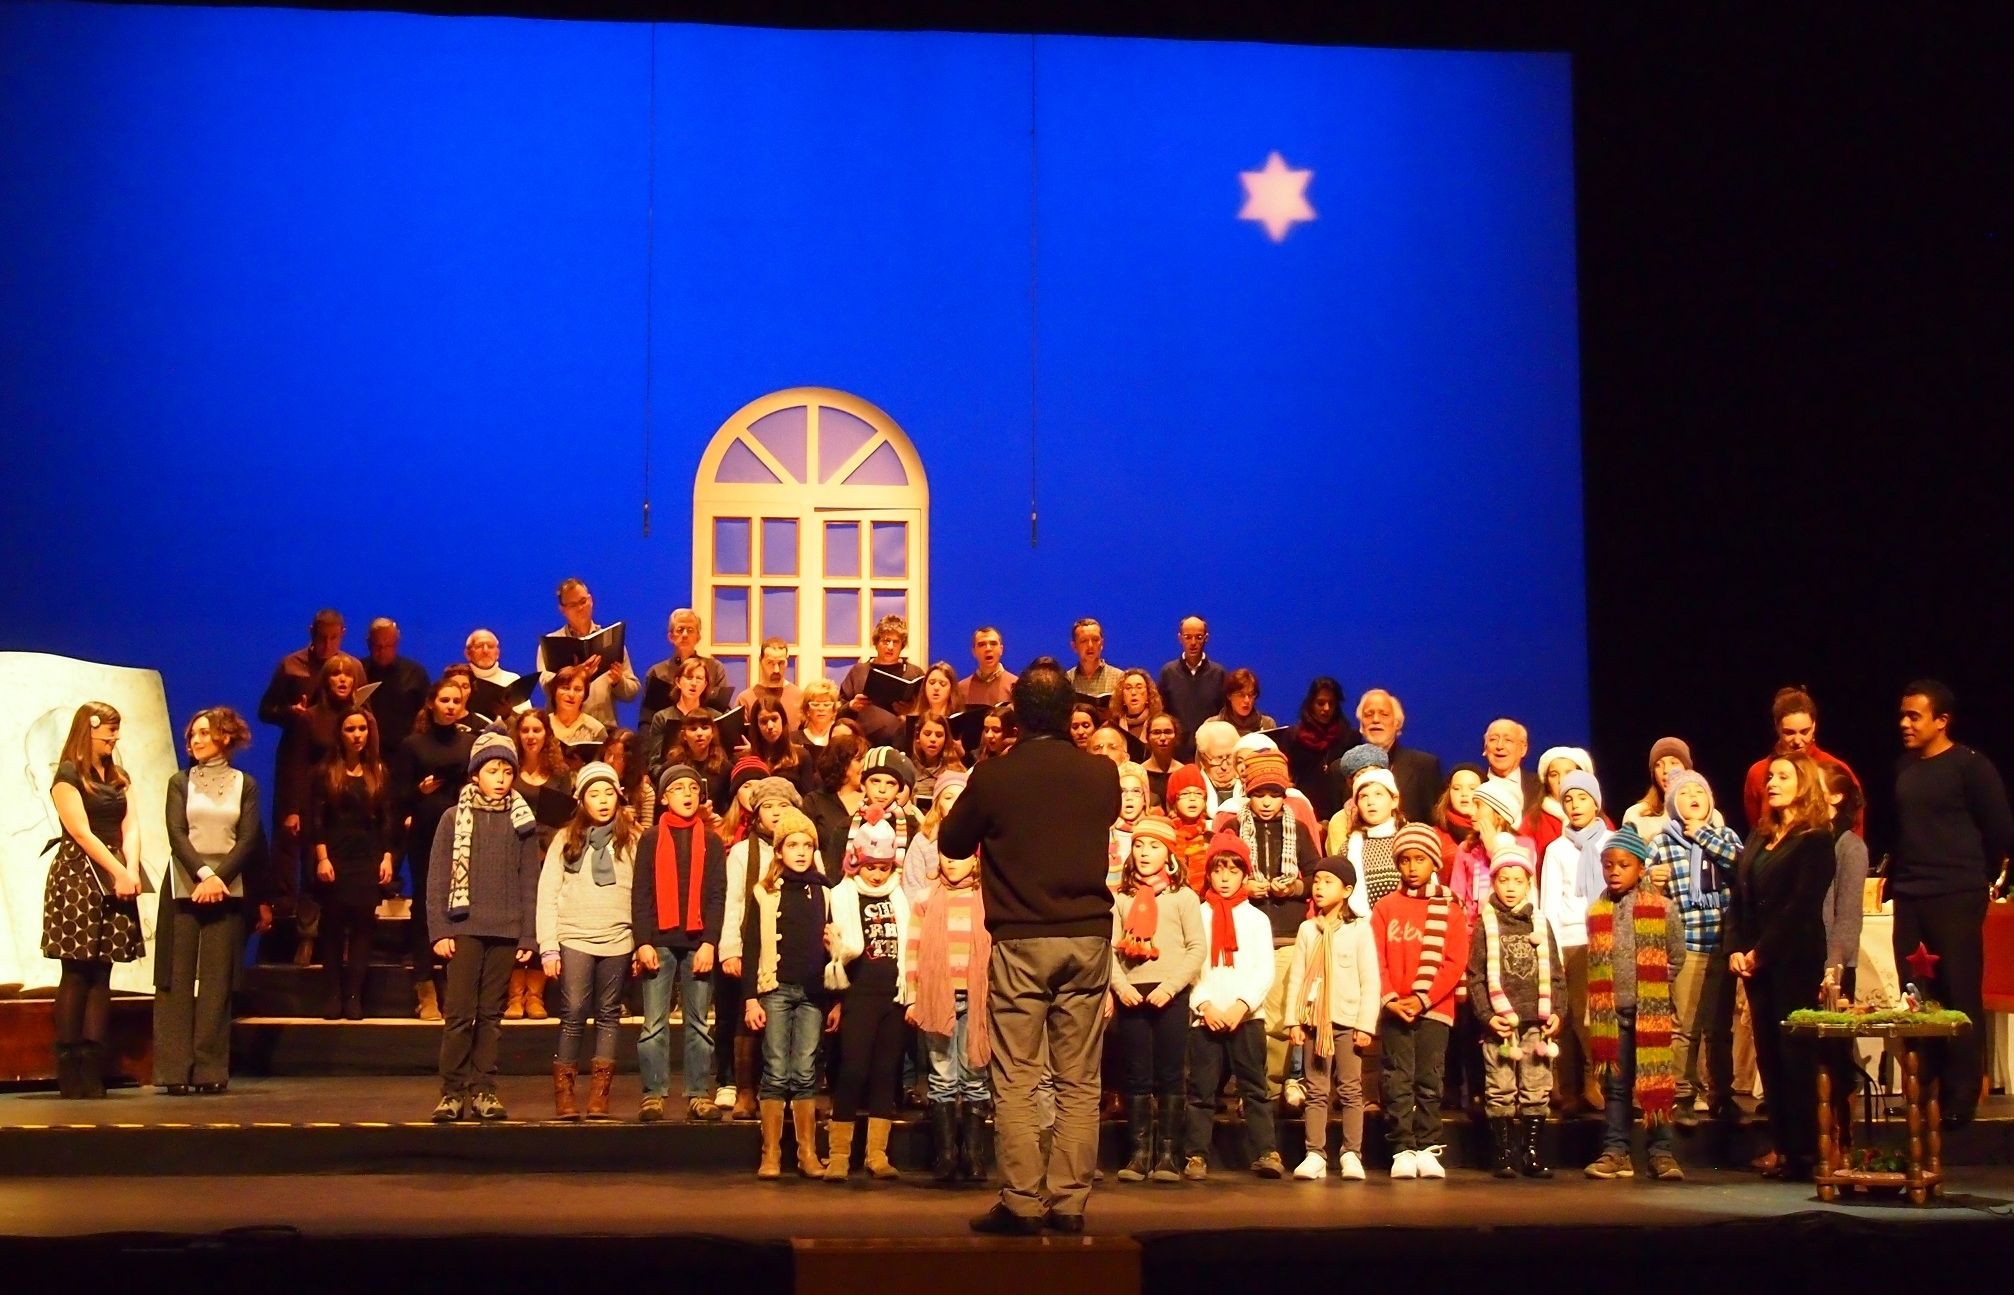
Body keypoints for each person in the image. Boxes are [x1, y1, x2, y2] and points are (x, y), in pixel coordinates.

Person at [943, 659, 1119, 1235]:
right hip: (1088, 938)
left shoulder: (996, 776)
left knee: (1017, 1076)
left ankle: (1021, 1202)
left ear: (1015, 717)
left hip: (1022, 939)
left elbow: (951, 839)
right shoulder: (1100, 774)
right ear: (1072, 715)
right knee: (1078, 1077)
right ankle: (1068, 1202)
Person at [1891, 680, 2011, 1127]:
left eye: (1914, 716)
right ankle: (1926, 1088)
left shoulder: (1970, 767)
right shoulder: (1904, 768)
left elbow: (1999, 828)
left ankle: (1962, 1095)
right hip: (1911, 895)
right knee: (1915, 994)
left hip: (1956, 895)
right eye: (1902, 715)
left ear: (1942, 721)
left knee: (1959, 991)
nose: (1904, 723)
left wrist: (1978, 876)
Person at [1727, 752, 1839, 1179]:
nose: (1771, 782)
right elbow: (1739, 896)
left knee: (1795, 1056)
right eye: (1770, 776)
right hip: (1756, 963)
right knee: (1769, 1056)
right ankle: (1784, 1147)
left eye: (1782, 776)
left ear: (1803, 783)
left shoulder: (1815, 839)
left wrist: (1762, 952)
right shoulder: (1759, 836)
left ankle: (1807, 1151)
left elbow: (1799, 906)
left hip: (1793, 959)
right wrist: (1737, 948)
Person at [427, 730, 540, 1123]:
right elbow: (439, 877)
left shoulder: (522, 820)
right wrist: (440, 930)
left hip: (506, 929)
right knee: (459, 1013)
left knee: (491, 1015)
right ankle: (452, 1092)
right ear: (476, 774)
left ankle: (485, 1089)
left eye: (507, 771)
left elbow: (529, 879)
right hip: (464, 927)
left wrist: (528, 934)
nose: (501, 778)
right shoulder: (453, 817)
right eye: (493, 770)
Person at [156, 706, 262, 1093]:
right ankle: (173, 1070)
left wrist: (220, 878)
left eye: (204, 733)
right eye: (192, 735)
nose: (196, 741)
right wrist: (203, 875)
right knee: (176, 978)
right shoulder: (180, 781)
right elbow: (176, 832)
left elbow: (248, 837)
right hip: (185, 885)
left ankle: (209, 1070)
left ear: (225, 736)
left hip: (226, 888)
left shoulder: (244, 783)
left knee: (217, 981)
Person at [42, 702, 145, 1099]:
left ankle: (93, 1064)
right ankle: (69, 1066)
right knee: (77, 970)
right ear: (90, 733)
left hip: (116, 872)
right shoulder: (69, 775)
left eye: (117, 733)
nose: (114, 740)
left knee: (103, 971)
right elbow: (81, 832)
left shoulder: (118, 776)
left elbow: (131, 824)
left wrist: (130, 869)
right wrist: (115, 870)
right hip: (79, 874)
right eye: (109, 734)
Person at [1581, 825, 1688, 1182]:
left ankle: (1661, 1153)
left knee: (1656, 1083)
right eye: (1608, 865)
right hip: (1612, 1013)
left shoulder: (1662, 908)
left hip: (1649, 1012)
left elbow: (1675, 955)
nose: (1614, 871)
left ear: (1641, 868)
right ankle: (1616, 1151)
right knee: (1616, 1086)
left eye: (1623, 865)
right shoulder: (1597, 910)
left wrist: (1654, 987)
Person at [536, 761, 637, 1121]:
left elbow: (642, 895)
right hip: (575, 935)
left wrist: (641, 942)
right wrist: (548, 945)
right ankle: (565, 1095)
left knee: (609, 1014)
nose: (603, 800)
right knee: (574, 1010)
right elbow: (548, 893)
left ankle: (600, 1096)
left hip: (618, 937)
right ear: (582, 801)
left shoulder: (632, 840)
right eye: (594, 794)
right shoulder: (565, 840)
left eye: (609, 793)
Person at [1181, 834, 1283, 1180]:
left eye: (1233, 870)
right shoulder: (1196, 915)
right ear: (1208, 874)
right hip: (1205, 1017)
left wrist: (1241, 1005)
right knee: (1201, 1091)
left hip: (1246, 1018)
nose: (1225, 877)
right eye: (1218, 870)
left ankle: (1267, 1151)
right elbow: (1190, 968)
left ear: (1244, 874)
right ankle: (1195, 1155)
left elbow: (1263, 969)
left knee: (1254, 1088)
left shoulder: (1255, 919)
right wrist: (1205, 1005)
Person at [1109, 813, 1203, 1183]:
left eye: (1154, 846)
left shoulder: (1183, 897)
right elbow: (1110, 951)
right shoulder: (1121, 899)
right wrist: (1121, 986)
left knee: (1169, 1074)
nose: (1145, 852)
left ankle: (1167, 1154)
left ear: (1169, 853)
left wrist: (1171, 987)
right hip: (1133, 993)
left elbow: (1196, 948)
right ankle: (1138, 1153)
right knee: (1136, 1075)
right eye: (1139, 845)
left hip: (1170, 995)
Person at [1372, 821, 1470, 1180]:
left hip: (1434, 1009)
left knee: (1429, 1078)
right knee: (1397, 1078)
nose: (1412, 867)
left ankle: (1428, 1145)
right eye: (1405, 860)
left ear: (1433, 862)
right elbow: (1376, 958)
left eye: (1420, 859)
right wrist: (1391, 998)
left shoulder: (1450, 906)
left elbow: (1454, 960)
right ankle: (1401, 1146)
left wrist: (1424, 999)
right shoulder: (1385, 908)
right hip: (1396, 1007)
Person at [632, 764, 727, 1123]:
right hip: (659, 941)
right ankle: (653, 1094)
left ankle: (699, 1094)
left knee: (698, 1022)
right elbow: (641, 894)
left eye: (692, 788)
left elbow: (717, 895)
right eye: (678, 789)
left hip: (697, 943)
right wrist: (643, 941)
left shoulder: (713, 841)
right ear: (664, 797)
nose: (687, 794)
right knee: (654, 1022)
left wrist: (710, 943)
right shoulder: (651, 839)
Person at [1215, 750, 1312, 1100]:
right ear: (1247, 792)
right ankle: (1238, 1084)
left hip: (1286, 934)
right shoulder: (1233, 827)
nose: (1267, 802)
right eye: (1259, 794)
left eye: (1274, 794)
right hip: (1242, 933)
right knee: (1243, 1010)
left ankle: (1266, 1091)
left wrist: (1296, 886)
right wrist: (1245, 887)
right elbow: (1217, 874)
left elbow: (1317, 875)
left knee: (1274, 1018)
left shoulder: (1297, 828)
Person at [1646, 770, 1741, 1120]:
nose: (1692, 796)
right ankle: (1682, 1094)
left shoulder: (1725, 836)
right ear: (1673, 805)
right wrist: (1651, 881)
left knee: (1719, 1028)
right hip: (1687, 945)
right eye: (1683, 793)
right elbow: (1645, 889)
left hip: (1722, 945)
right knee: (1684, 1025)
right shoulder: (1661, 843)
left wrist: (1703, 835)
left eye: (1698, 790)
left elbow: (1741, 866)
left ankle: (1720, 1093)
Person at [741, 806, 831, 1179]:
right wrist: (750, 998)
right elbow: (751, 948)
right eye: (791, 844)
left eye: (806, 845)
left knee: (805, 1071)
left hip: (812, 992)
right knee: (776, 1069)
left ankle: (807, 1153)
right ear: (778, 851)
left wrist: (835, 998)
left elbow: (834, 948)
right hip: (775, 989)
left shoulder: (824, 892)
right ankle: (771, 1153)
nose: (799, 851)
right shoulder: (764, 893)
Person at [1465, 839, 1563, 1179]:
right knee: (1501, 1086)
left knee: (1537, 1087)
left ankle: (1532, 1153)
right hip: (1501, 1025)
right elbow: (1476, 975)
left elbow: (1556, 973)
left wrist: (1557, 1011)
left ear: (1528, 884)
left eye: (1517, 880)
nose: (1510, 887)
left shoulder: (1539, 923)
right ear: (1493, 883)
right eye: (1503, 880)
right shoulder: (1485, 924)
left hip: (1535, 1021)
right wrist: (1486, 1015)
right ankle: (1503, 1154)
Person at [824, 819, 912, 1182]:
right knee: (853, 1070)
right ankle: (840, 1154)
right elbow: (840, 953)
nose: (877, 875)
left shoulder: (899, 897)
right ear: (857, 862)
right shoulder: (844, 896)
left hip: (892, 996)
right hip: (859, 995)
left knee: (884, 1073)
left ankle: (877, 1153)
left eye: (884, 868)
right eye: (872, 867)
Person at [1283, 857, 1379, 1182]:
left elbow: (1370, 979)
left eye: (1328, 881)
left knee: (1351, 1089)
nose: (1319, 887)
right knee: (1316, 1088)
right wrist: (1294, 1021)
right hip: (1314, 1022)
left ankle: (1352, 1152)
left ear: (1347, 889)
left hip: (1348, 1021)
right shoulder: (1308, 930)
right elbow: (1296, 977)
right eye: (1318, 880)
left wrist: (1366, 1024)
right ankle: (1315, 1153)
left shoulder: (1359, 929)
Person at [904, 829, 992, 1183]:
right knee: (942, 1077)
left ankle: (973, 1155)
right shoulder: (926, 899)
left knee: (974, 1076)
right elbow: (912, 951)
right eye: (947, 856)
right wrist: (913, 995)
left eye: (962, 856)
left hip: (977, 998)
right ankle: (945, 1155)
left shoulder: (987, 898)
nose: (953, 863)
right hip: (937, 996)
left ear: (975, 859)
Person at [257, 610, 346, 941]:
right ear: (311, 632)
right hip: (297, 761)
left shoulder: (348, 668)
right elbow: (265, 711)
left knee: (325, 836)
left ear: (343, 634)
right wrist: (289, 713)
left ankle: (321, 910)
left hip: (332, 761)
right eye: (321, 637)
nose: (326, 644)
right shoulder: (290, 665)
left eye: (334, 638)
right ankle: (283, 909)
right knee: (289, 834)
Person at [718, 777, 801, 1121]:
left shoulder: (804, 847)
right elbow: (733, 902)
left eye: (783, 805)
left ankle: (788, 1091)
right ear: (756, 814)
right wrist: (730, 948)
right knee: (748, 1017)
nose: (776, 813)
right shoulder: (742, 852)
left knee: (791, 1018)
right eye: (768, 806)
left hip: (792, 944)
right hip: (754, 943)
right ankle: (746, 1091)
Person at [305, 709, 396, 1020]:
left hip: (367, 857)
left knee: (362, 929)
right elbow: (316, 819)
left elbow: (386, 818)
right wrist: (322, 858)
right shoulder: (325, 771)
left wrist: (386, 856)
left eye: (361, 729)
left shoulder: (379, 771)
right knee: (332, 929)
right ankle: (332, 994)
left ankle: (354, 995)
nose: (357, 735)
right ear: (340, 734)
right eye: (350, 729)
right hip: (335, 856)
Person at [392, 677, 474, 1021]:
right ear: (431, 703)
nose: (451, 706)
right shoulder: (413, 745)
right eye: (445, 700)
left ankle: (457, 986)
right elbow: (397, 797)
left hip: (465, 832)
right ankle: (425, 988)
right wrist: (419, 791)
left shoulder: (470, 743)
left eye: (456, 700)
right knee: (426, 905)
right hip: (426, 832)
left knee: (462, 906)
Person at [1537, 770, 1609, 1113]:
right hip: (1569, 939)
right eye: (1568, 799)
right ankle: (1567, 1089)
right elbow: (1549, 900)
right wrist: (1551, 948)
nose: (1575, 805)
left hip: (1603, 939)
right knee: (1566, 1017)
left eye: (1582, 797)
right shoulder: (1557, 849)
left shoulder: (1610, 842)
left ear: (1596, 802)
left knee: (1592, 1018)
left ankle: (1596, 1082)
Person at [507, 709, 574, 1019]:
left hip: (548, 854)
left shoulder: (560, 774)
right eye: (526, 730)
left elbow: (565, 818)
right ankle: (513, 995)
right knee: (515, 919)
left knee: (541, 919)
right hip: (513, 852)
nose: (531, 736)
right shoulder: (510, 769)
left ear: (547, 734)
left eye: (537, 730)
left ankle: (535, 995)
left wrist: (548, 851)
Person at [1741, 686, 1866, 835]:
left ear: (1814, 725)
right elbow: (1757, 830)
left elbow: (1855, 827)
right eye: (1789, 733)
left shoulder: (1834, 768)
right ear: (1777, 726)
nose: (1798, 741)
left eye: (1804, 731)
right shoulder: (1759, 772)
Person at [536, 578, 641, 726]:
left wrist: (618, 681)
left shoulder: (612, 640)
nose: (580, 608)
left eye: (583, 601)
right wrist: (575, 673)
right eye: (572, 605)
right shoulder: (551, 643)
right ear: (562, 609)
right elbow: (547, 686)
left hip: (604, 730)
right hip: (562, 730)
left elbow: (632, 691)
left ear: (591, 600)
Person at [1352, 689, 1443, 833]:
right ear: (1361, 724)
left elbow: (1436, 823)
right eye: (1369, 714)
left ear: (1397, 723)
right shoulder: (1340, 770)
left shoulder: (1424, 766)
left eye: (1384, 714)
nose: (1375, 719)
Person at [839, 615, 923, 748]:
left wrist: (911, 711)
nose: (890, 647)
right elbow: (838, 709)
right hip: (863, 746)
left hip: (904, 745)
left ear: (902, 646)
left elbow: (927, 712)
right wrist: (852, 706)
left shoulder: (914, 673)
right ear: (876, 643)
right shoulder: (859, 671)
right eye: (886, 641)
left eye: (895, 642)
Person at [641, 608, 734, 722]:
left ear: (698, 637)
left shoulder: (714, 668)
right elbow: (646, 719)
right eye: (680, 630)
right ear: (671, 637)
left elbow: (724, 712)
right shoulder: (656, 672)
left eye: (690, 630)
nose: (685, 634)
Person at [1286, 677, 1356, 822]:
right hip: (1303, 812)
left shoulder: (1348, 737)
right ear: (1310, 704)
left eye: (1332, 703)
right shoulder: (1294, 737)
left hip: (1339, 814)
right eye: (1320, 703)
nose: (1326, 709)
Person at [1621, 737, 1717, 840]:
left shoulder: (1711, 816)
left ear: (1687, 770)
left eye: (1674, 763)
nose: (1666, 770)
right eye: (1658, 765)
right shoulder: (1636, 815)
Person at [1158, 616, 1225, 762]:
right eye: (1188, 637)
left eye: (1198, 637)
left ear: (1206, 638)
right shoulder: (1168, 673)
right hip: (1176, 754)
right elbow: (1163, 714)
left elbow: (1223, 715)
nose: (1193, 643)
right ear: (1180, 638)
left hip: (1210, 753)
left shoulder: (1218, 673)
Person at [362, 618, 430, 752]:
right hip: (364, 751)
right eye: (377, 646)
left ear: (397, 643)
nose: (382, 652)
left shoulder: (415, 673)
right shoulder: (358, 671)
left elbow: (426, 715)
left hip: (405, 752)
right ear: (368, 643)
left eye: (388, 646)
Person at [902, 770, 968, 901]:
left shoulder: (980, 840)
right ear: (938, 804)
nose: (956, 804)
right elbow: (912, 887)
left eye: (961, 797)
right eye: (949, 797)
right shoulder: (923, 841)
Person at [1530, 746, 1594, 860]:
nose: (1561, 780)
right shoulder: (1533, 820)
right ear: (1546, 780)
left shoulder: (1599, 820)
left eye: (1569, 773)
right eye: (1554, 775)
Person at [734, 637, 804, 730]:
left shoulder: (799, 697)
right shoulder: (745, 699)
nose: (776, 670)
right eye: (770, 663)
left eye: (781, 663)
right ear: (760, 661)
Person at [1482, 718, 1544, 820]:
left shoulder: (1540, 786)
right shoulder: (1474, 784)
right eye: (1493, 739)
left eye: (1508, 740)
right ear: (1485, 747)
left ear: (1523, 749)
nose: (1499, 746)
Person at [547, 664, 610, 755]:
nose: (571, 695)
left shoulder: (596, 729)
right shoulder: (543, 725)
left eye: (578, 689)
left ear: (585, 694)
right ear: (554, 691)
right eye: (565, 688)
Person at [957, 626, 1018, 710]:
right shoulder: (961, 689)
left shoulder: (1016, 685)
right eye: (982, 644)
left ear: (1001, 649)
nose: (988, 649)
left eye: (993, 643)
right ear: (974, 651)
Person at [1066, 617, 1124, 702]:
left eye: (1095, 640)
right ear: (1074, 646)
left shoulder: (1119, 678)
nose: (1090, 645)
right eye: (1084, 641)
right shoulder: (1067, 680)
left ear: (1102, 643)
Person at [1109, 669, 1164, 751]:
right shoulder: (1113, 726)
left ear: (1148, 695)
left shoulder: (1159, 723)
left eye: (1139, 687)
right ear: (1122, 696)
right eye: (1128, 688)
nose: (1134, 692)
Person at [1141, 712, 1185, 809]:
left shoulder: (1184, 772)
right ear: (1147, 737)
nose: (1163, 738)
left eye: (1168, 732)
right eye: (1156, 732)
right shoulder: (1140, 773)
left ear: (1176, 736)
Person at [1215, 668, 1274, 738]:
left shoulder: (1267, 724)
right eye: (1241, 695)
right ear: (1229, 695)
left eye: (1251, 694)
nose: (1247, 700)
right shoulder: (1213, 726)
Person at [797, 678, 843, 753]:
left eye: (826, 704)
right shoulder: (794, 740)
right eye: (815, 705)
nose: (821, 709)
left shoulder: (840, 738)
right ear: (807, 710)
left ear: (834, 710)